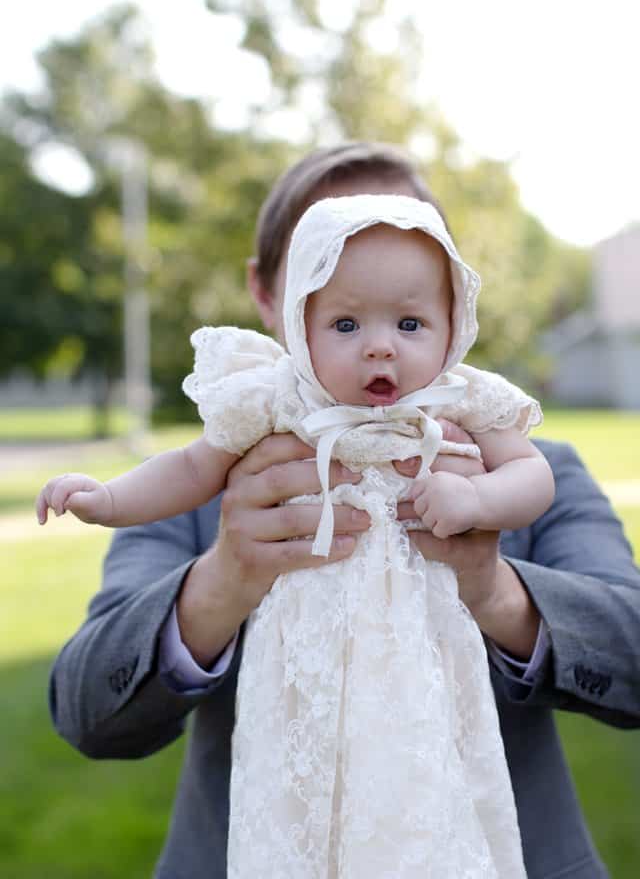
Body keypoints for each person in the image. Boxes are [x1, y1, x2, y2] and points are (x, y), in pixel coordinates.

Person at [47, 143, 640, 879]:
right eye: (345, 307)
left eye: (408, 311)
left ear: (450, 306)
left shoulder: (499, 447)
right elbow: (84, 706)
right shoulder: (243, 442)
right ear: (278, 298)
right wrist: (222, 577)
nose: (381, 344)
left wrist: (491, 588)